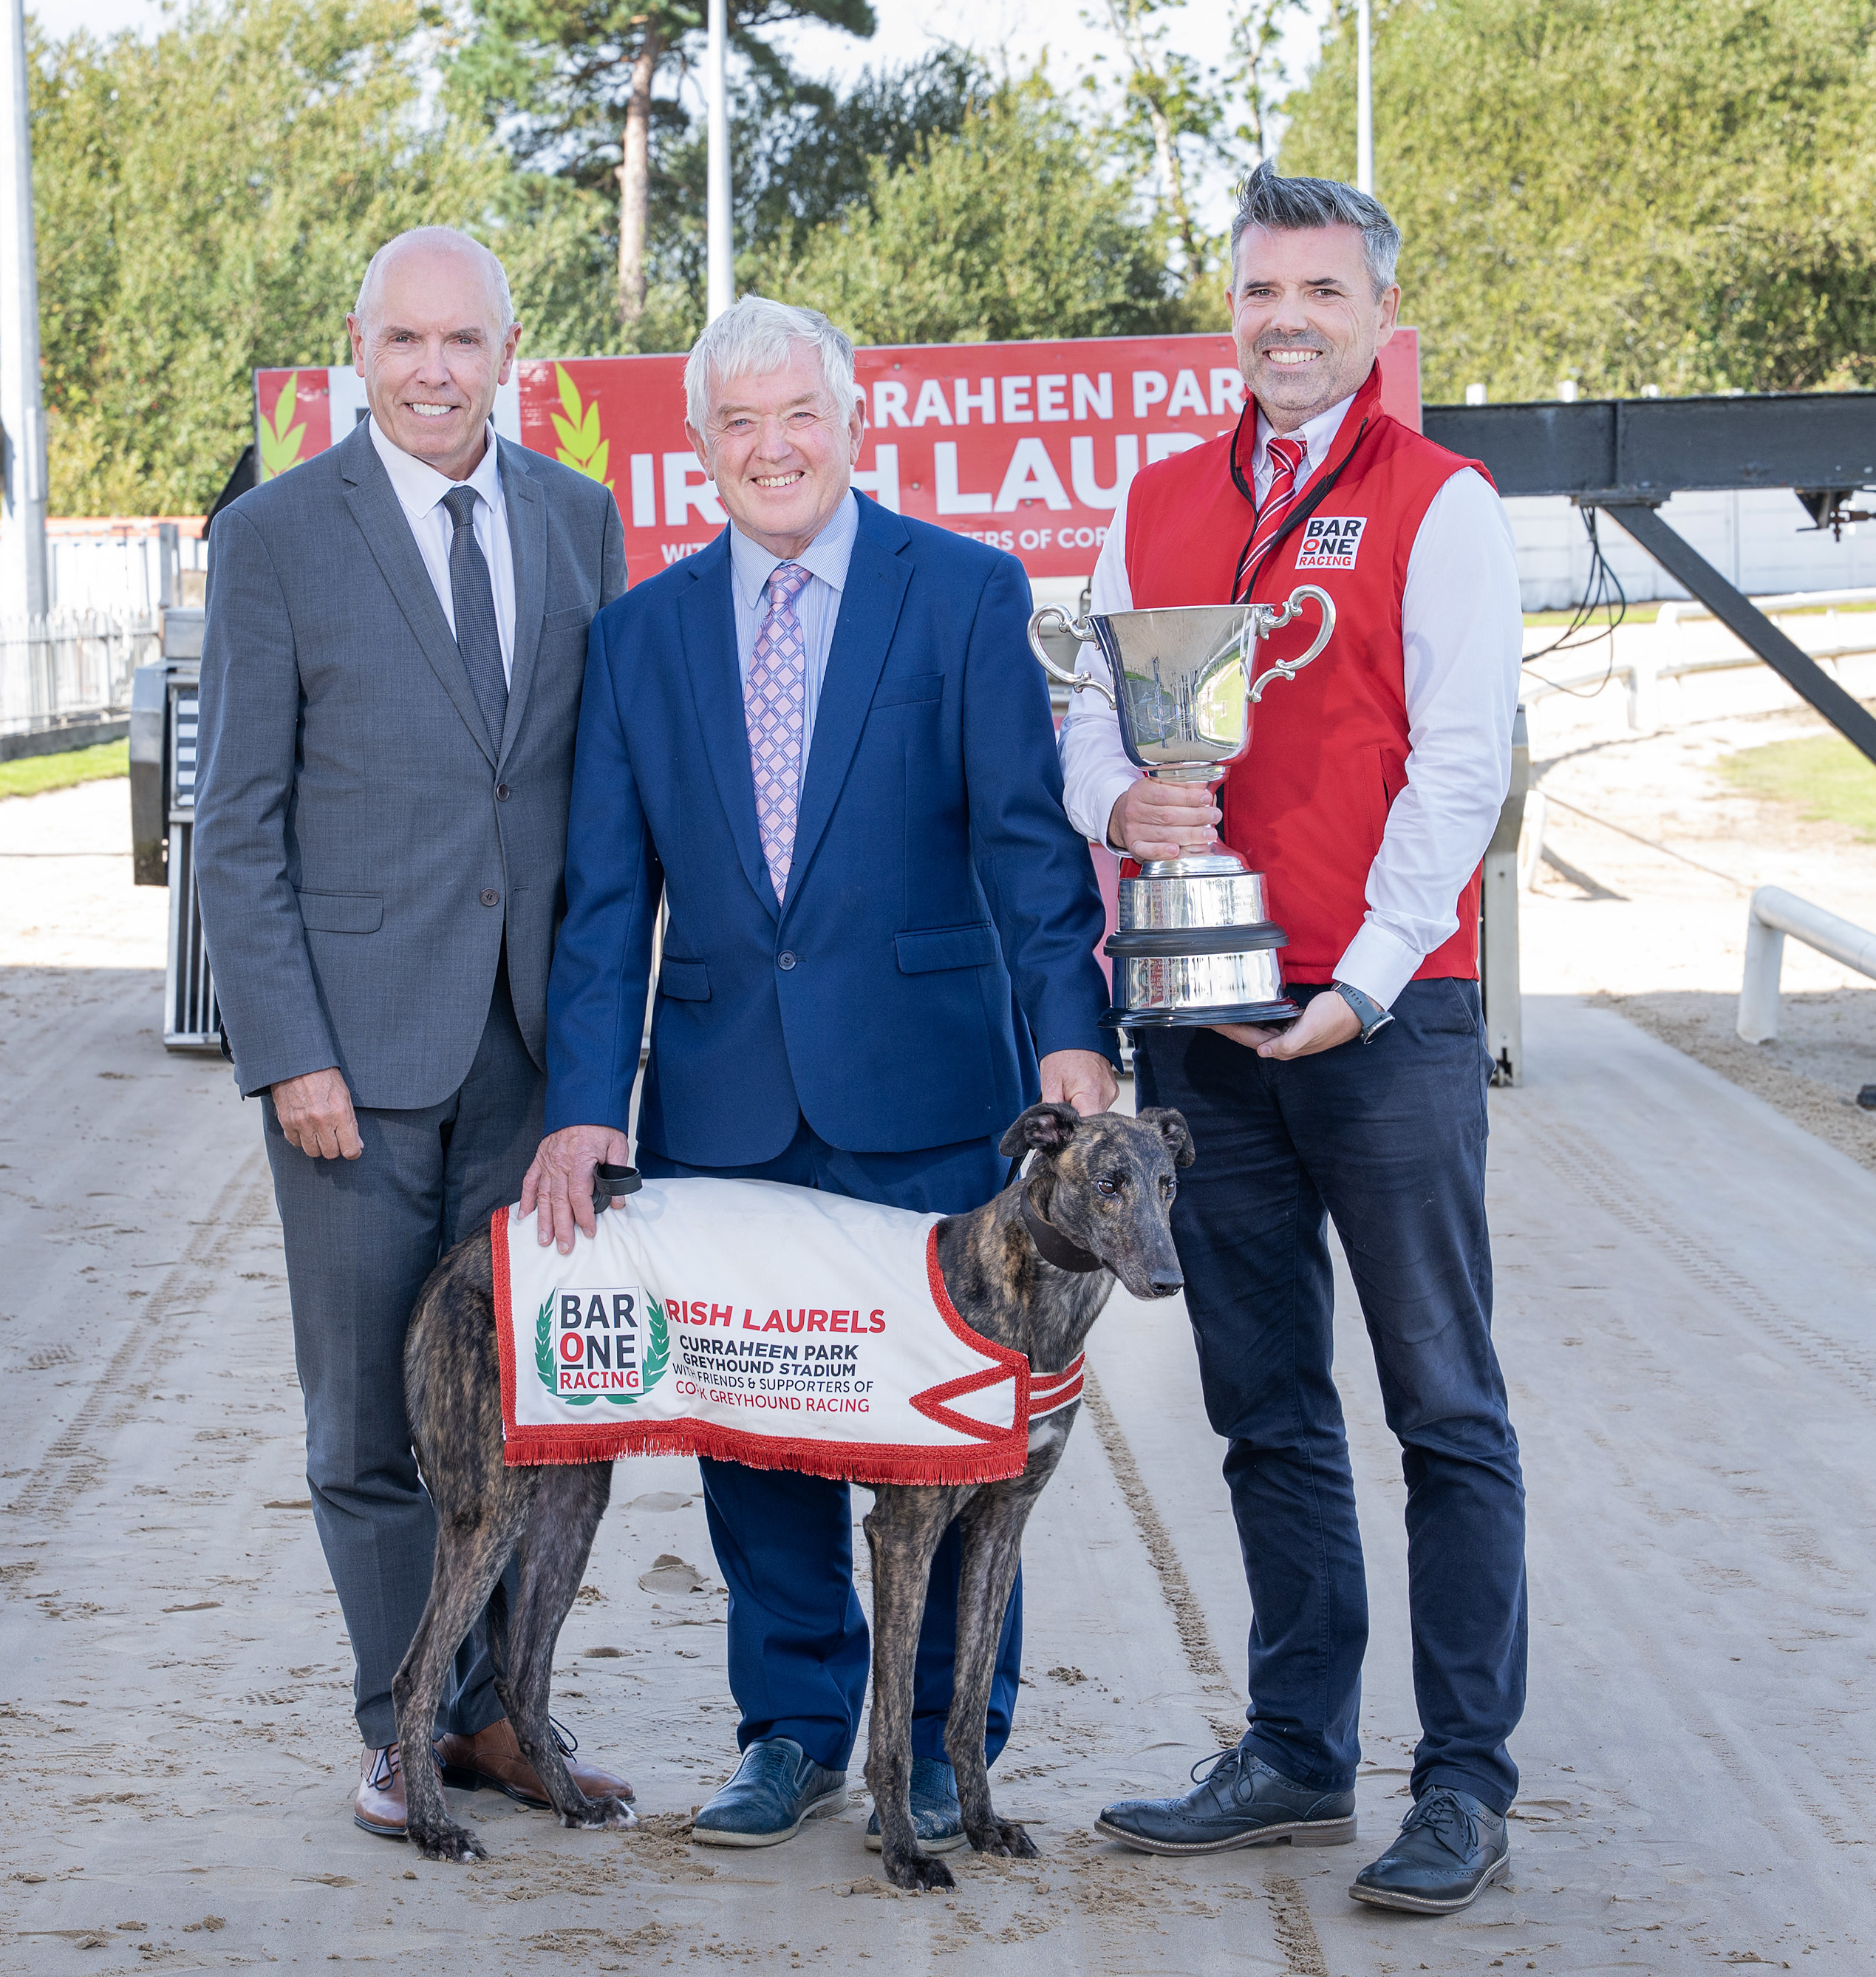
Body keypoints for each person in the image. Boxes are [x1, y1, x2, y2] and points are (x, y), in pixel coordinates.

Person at [521, 297, 1119, 1854]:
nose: (770, 448)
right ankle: (790, 1731)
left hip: (933, 1090)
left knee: (947, 1425)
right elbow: (604, 898)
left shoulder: (966, 595)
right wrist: (590, 1100)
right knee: (759, 1433)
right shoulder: (639, 637)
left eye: (797, 416)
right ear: (700, 449)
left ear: (853, 426)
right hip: (726, 1105)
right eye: (737, 424)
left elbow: (1027, 845)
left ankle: (936, 1747)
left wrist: (1075, 1033)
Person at [1066, 166, 1526, 1915]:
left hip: (1381, 1024)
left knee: (1443, 1411)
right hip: (1203, 1026)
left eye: (1320, 294)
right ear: (1232, 307)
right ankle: (1296, 1753)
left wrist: (1378, 969)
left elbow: (1461, 766)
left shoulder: (1443, 503)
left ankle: (1464, 1782)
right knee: (1265, 1407)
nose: (1285, 320)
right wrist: (1123, 800)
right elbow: (1082, 715)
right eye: (1261, 290)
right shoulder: (1158, 501)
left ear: (1376, 320)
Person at [193, 226, 633, 1838]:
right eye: (406, 343)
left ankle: (504, 1717)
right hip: (350, 1072)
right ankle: (403, 1728)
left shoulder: (581, 521)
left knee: (523, 1410)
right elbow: (233, 827)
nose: (435, 369)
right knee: (372, 1421)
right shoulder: (278, 536)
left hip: (527, 1065)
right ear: (357, 355)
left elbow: (600, 811)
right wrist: (288, 1051)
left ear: (513, 349)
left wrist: (600, 1067)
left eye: (465, 341)